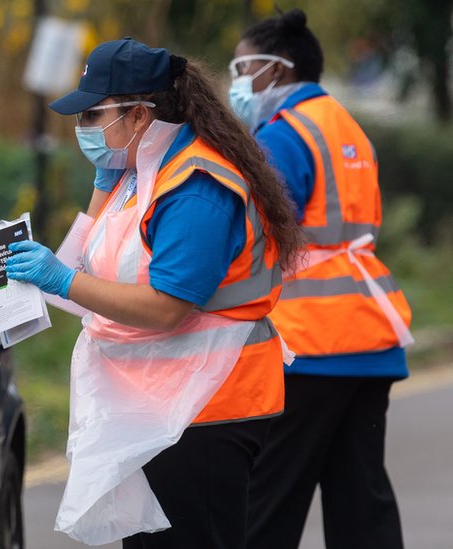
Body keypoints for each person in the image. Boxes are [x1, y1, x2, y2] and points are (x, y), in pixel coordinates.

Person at [4, 37, 302, 547]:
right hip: (161, 404)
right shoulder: (140, 170)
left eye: (92, 117)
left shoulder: (195, 185)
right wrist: (101, 187)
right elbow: (89, 263)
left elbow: (166, 308)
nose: (82, 130)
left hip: (210, 410)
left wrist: (61, 279)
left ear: (139, 116)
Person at [228, 9, 413, 549]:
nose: (236, 82)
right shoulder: (345, 126)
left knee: (267, 504)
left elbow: (249, 235)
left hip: (308, 344)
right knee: (362, 505)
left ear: (275, 70)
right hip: (370, 336)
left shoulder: (283, 137)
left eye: (243, 68)